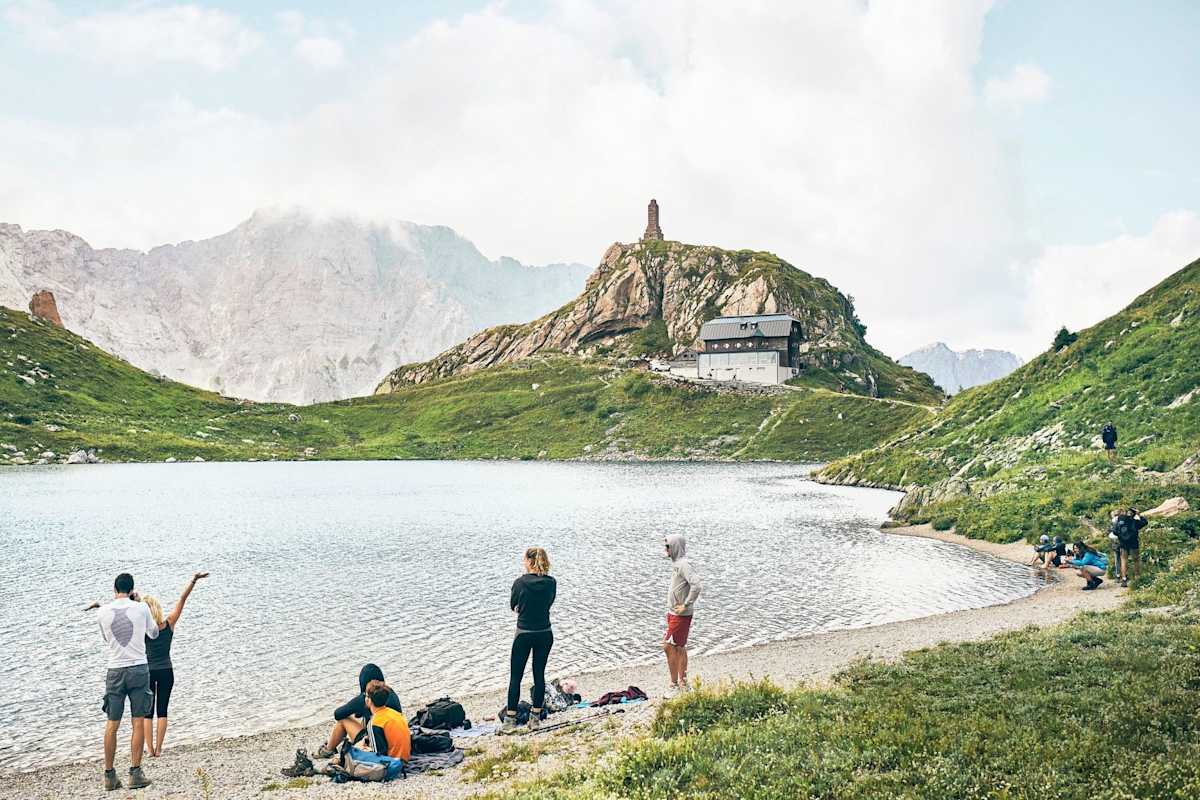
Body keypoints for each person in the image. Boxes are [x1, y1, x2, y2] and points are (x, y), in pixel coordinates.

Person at [94, 573, 159, 791]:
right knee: (138, 721)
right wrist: (139, 603)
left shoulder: (102, 611)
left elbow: (106, 639)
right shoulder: (141, 608)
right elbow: (154, 633)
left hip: (114, 670)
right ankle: (135, 773)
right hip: (139, 668)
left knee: (112, 724)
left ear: (114, 589)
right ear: (132, 590)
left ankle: (109, 776)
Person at [139, 571, 209, 758]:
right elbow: (182, 599)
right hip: (166, 671)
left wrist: (134, 598)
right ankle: (159, 749)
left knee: (147, 712)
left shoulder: (142, 629)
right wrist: (194, 580)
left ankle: (149, 749)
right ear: (158, 608)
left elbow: (128, 610)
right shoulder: (169, 623)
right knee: (162, 710)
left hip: (148, 672)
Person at [500, 547, 556, 735]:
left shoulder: (520, 583)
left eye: (524, 559)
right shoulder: (551, 583)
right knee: (539, 675)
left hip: (524, 633)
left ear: (528, 561)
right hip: (545, 633)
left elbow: (513, 605)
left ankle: (510, 721)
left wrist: (522, 608)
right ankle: (535, 719)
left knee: (516, 676)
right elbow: (549, 603)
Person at [316, 663, 402, 758]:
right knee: (367, 717)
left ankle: (328, 750)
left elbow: (338, 714)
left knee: (343, 720)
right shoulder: (389, 692)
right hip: (396, 744)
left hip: (382, 748)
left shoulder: (366, 698)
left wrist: (356, 707)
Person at [663, 534, 702, 696]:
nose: (666, 549)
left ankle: (674, 686)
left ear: (675, 547)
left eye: (667, 546)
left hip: (681, 614)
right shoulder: (677, 564)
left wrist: (686, 604)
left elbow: (697, 585)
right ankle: (684, 684)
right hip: (673, 613)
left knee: (668, 646)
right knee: (679, 647)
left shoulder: (684, 564)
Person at [363, 680, 411, 761]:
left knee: (357, 751)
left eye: (366, 696)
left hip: (392, 765)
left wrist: (365, 750)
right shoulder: (394, 713)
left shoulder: (374, 722)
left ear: (369, 700)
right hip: (404, 758)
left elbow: (378, 756)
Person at [1111, 507, 1148, 587]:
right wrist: (1139, 515)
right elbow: (1145, 522)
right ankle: (1137, 578)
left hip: (1123, 543)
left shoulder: (1120, 520)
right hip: (1134, 543)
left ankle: (1124, 579)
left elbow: (1114, 531)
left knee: (1124, 560)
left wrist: (1121, 537)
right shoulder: (1135, 521)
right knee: (1136, 560)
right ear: (1134, 514)